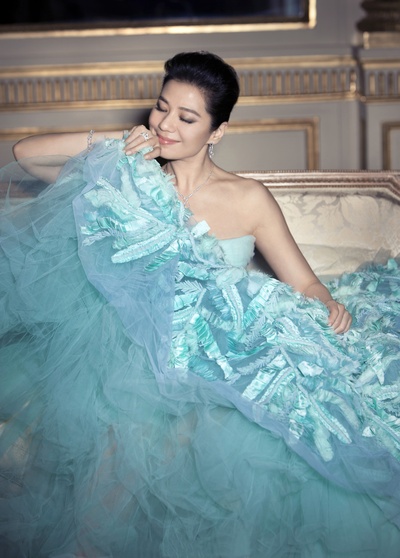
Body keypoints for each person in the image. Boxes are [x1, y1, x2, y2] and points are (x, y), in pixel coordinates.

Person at [0, 51, 399, 558]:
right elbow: (26, 152)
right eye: (161, 108)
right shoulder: (130, 179)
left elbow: (305, 283)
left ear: (217, 131)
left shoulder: (248, 198)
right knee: (128, 429)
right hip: (136, 354)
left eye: (186, 118)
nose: (166, 125)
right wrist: (116, 144)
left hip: (221, 355)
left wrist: (327, 304)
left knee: (213, 429)